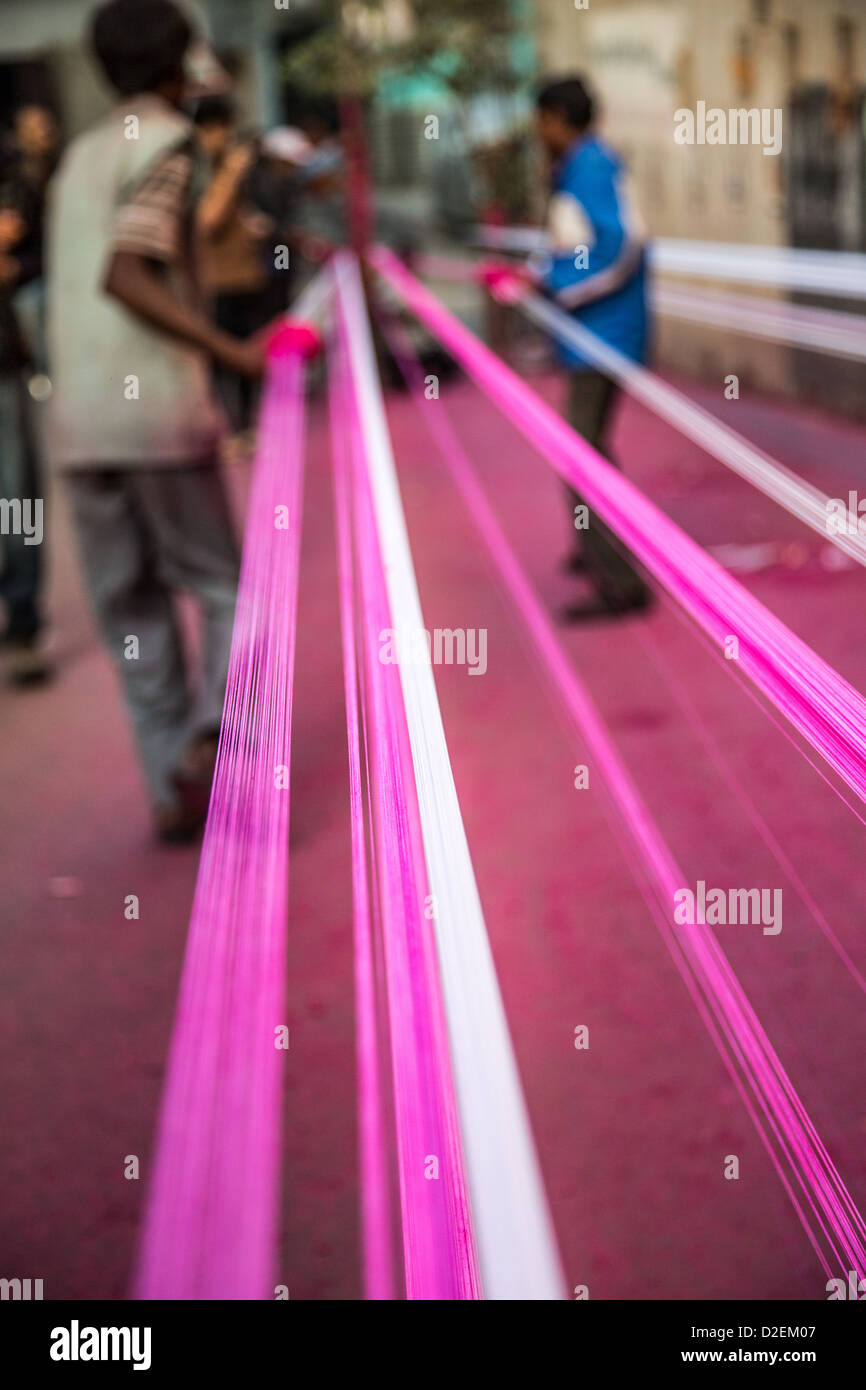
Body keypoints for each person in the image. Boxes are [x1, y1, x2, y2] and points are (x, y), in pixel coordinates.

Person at [45, 0, 285, 841]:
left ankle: (168, 788)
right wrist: (231, 349)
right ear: (178, 65)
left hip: (79, 424)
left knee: (132, 610)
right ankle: (215, 739)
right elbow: (127, 272)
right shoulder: (169, 145)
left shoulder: (77, 158)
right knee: (223, 584)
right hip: (154, 413)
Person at [502, 76, 651, 619]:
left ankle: (619, 583)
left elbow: (619, 245)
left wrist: (556, 284)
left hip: (603, 338)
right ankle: (605, 546)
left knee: (580, 459)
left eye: (541, 119)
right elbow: (579, 248)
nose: (537, 131)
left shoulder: (588, 167)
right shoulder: (586, 163)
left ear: (558, 119)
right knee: (594, 451)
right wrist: (541, 273)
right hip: (595, 336)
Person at [192, 95, 274, 437]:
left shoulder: (228, 167)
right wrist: (231, 173)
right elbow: (207, 220)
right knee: (222, 361)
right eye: (215, 128)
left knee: (250, 352)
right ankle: (231, 430)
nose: (222, 136)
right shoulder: (197, 170)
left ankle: (249, 426)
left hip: (246, 276)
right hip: (215, 282)